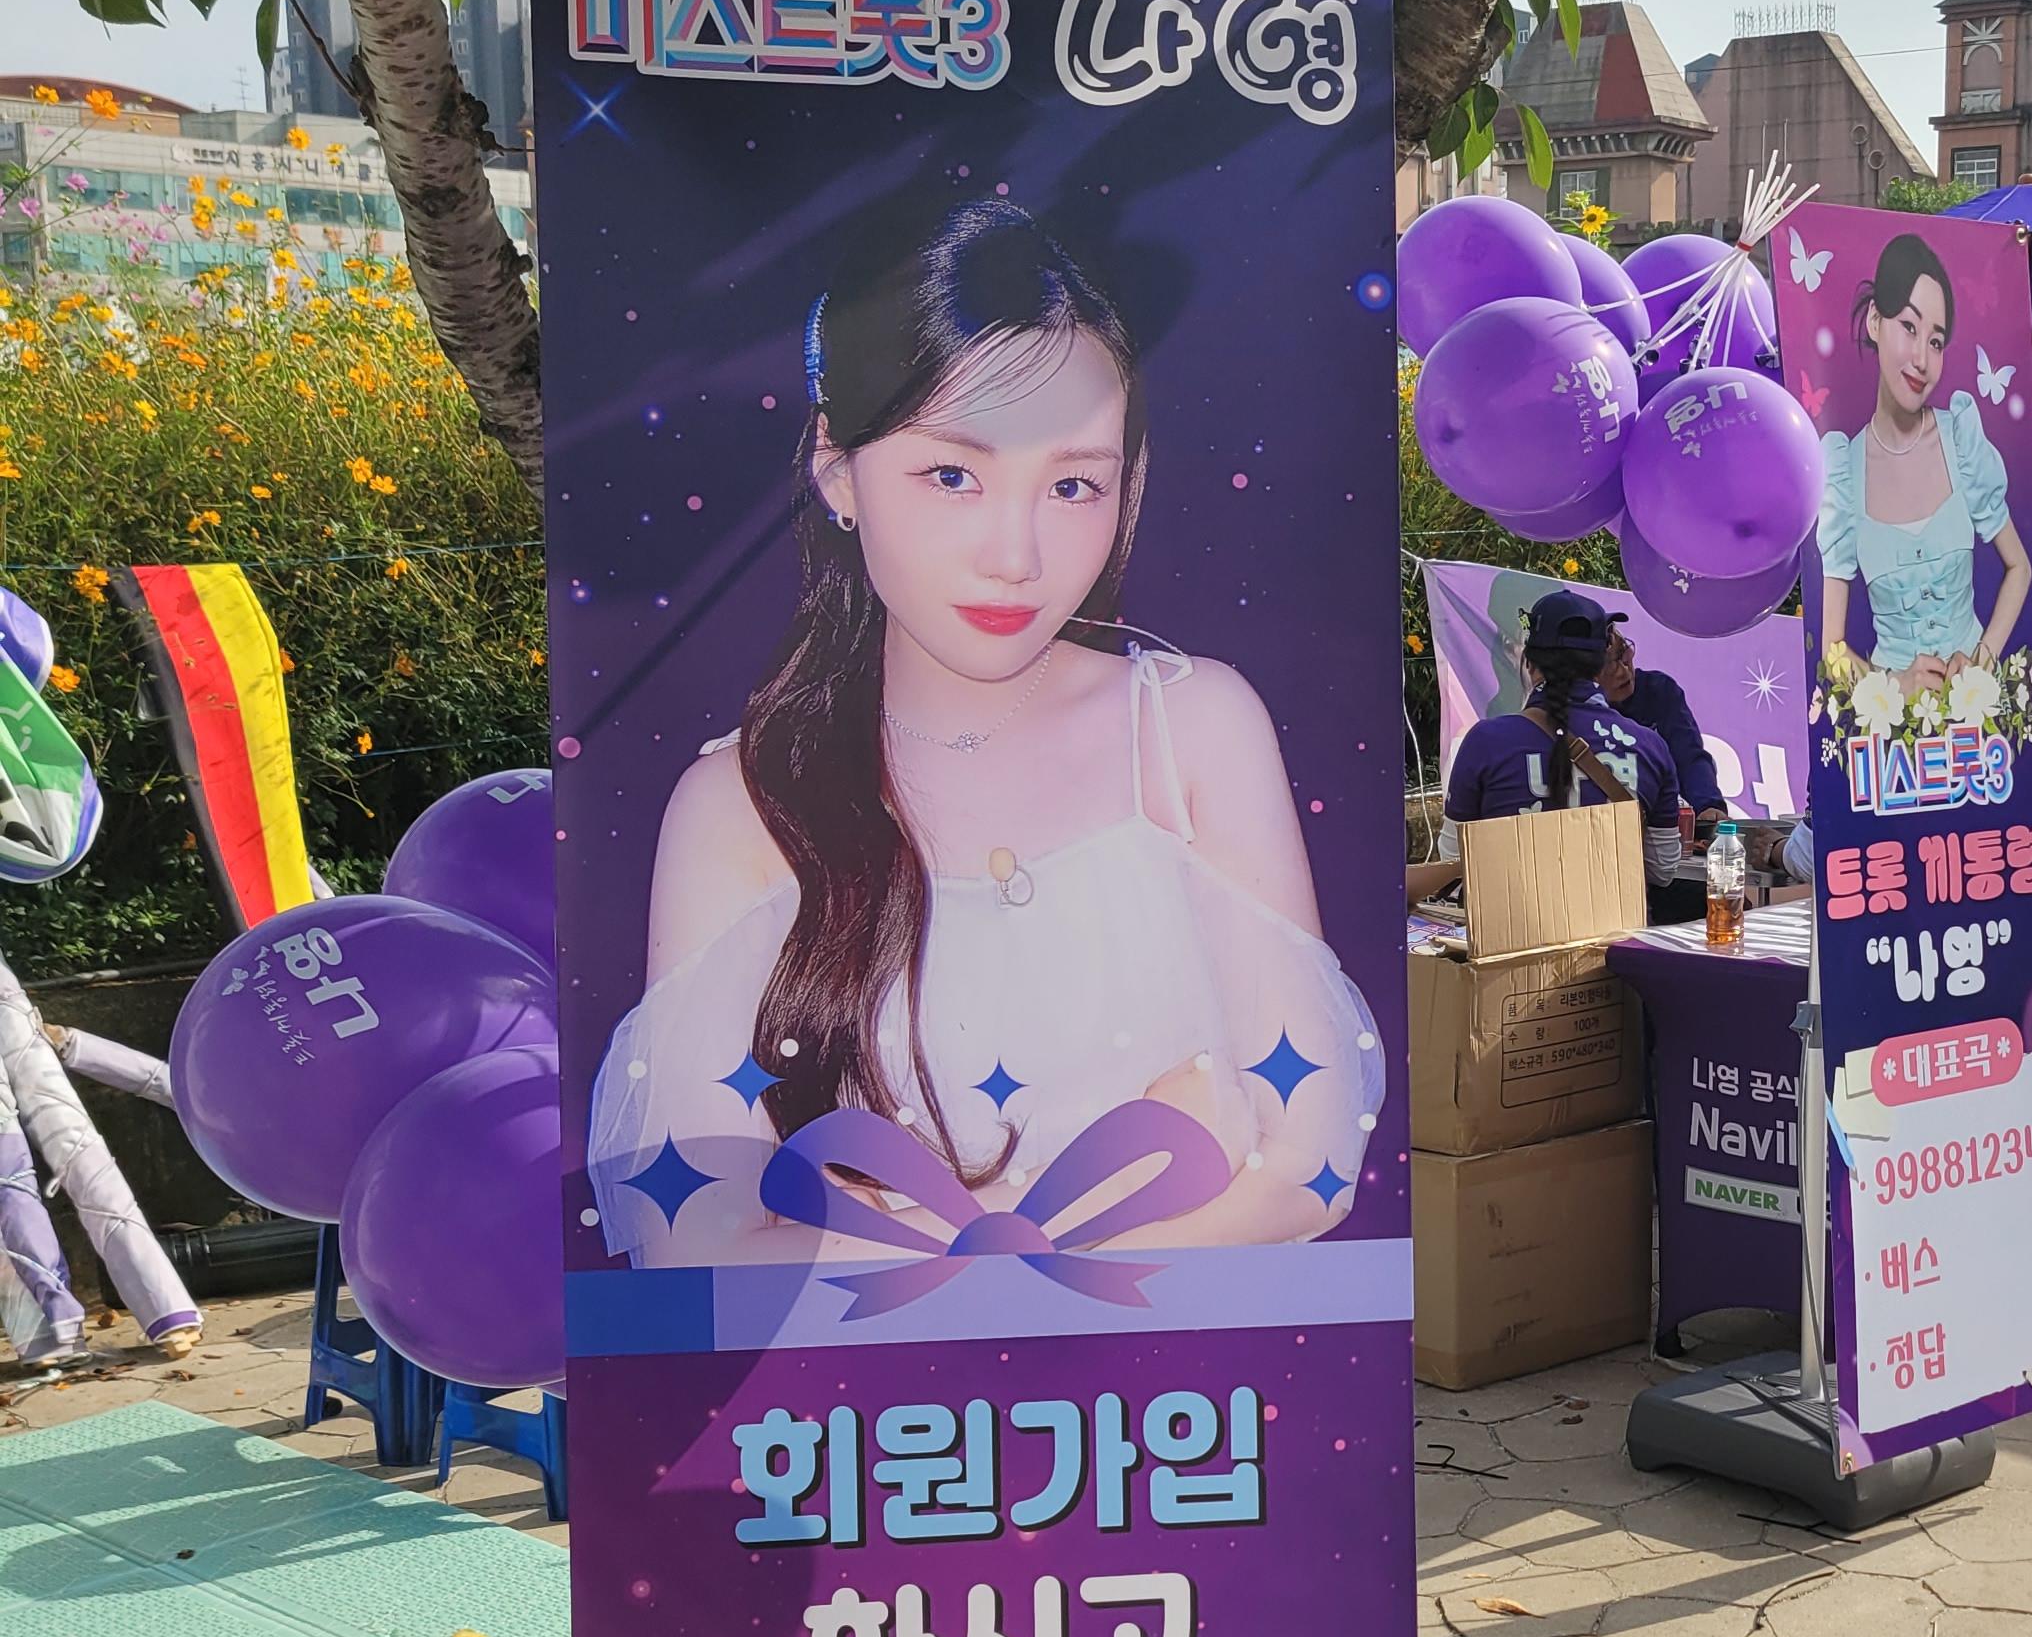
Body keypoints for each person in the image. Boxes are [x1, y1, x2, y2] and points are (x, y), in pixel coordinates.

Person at [591, 194, 1383, 1264]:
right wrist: (1009, 1267)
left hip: (1189, 1368)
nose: (1017, 555)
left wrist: (973, 1258)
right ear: (838, 468)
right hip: (868, 1380)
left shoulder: (1191, 732)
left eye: (1073, 484)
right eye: (953, 475)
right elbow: (691, 1234)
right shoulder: (741, 805)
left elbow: (1311, 1163)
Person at [1816, 235, 2032, 693]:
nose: (1922, 360)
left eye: (1936, 341)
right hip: (1890, 725)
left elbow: (2020, 568)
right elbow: (1832, 651)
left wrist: (1982, 661)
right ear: (1875, 321)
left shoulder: (1962, 441)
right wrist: (1897, 685)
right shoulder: (1841, 472)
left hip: (1978, 714)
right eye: (1909, 327)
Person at [1432, 587, 1697, 921]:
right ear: (1601, 665)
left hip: (1512, 940)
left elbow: (1454, 860)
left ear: (1529, 662)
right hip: (1614, 943)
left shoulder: (1486, 742)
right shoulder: (1649, 746)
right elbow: (1662, 870)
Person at [1600, 621, 1727, 840]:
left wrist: (1708, 804)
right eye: (1609, 665)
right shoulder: (1577, 708)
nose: (1623, 671)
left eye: (1624, 656)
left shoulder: (1659, 691)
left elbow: (1688, 755)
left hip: (1656, 827)